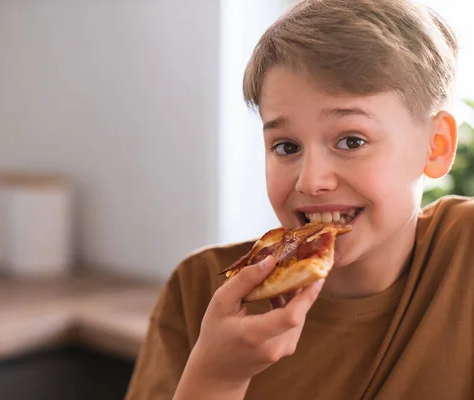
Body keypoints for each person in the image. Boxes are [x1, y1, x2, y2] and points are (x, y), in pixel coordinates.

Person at [125, 0, 474, 398]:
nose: (311, 181)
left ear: (436, 146)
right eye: (286, 146)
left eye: (351, 141)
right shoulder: (198, 289)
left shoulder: (465, 252)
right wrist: (217, 378)